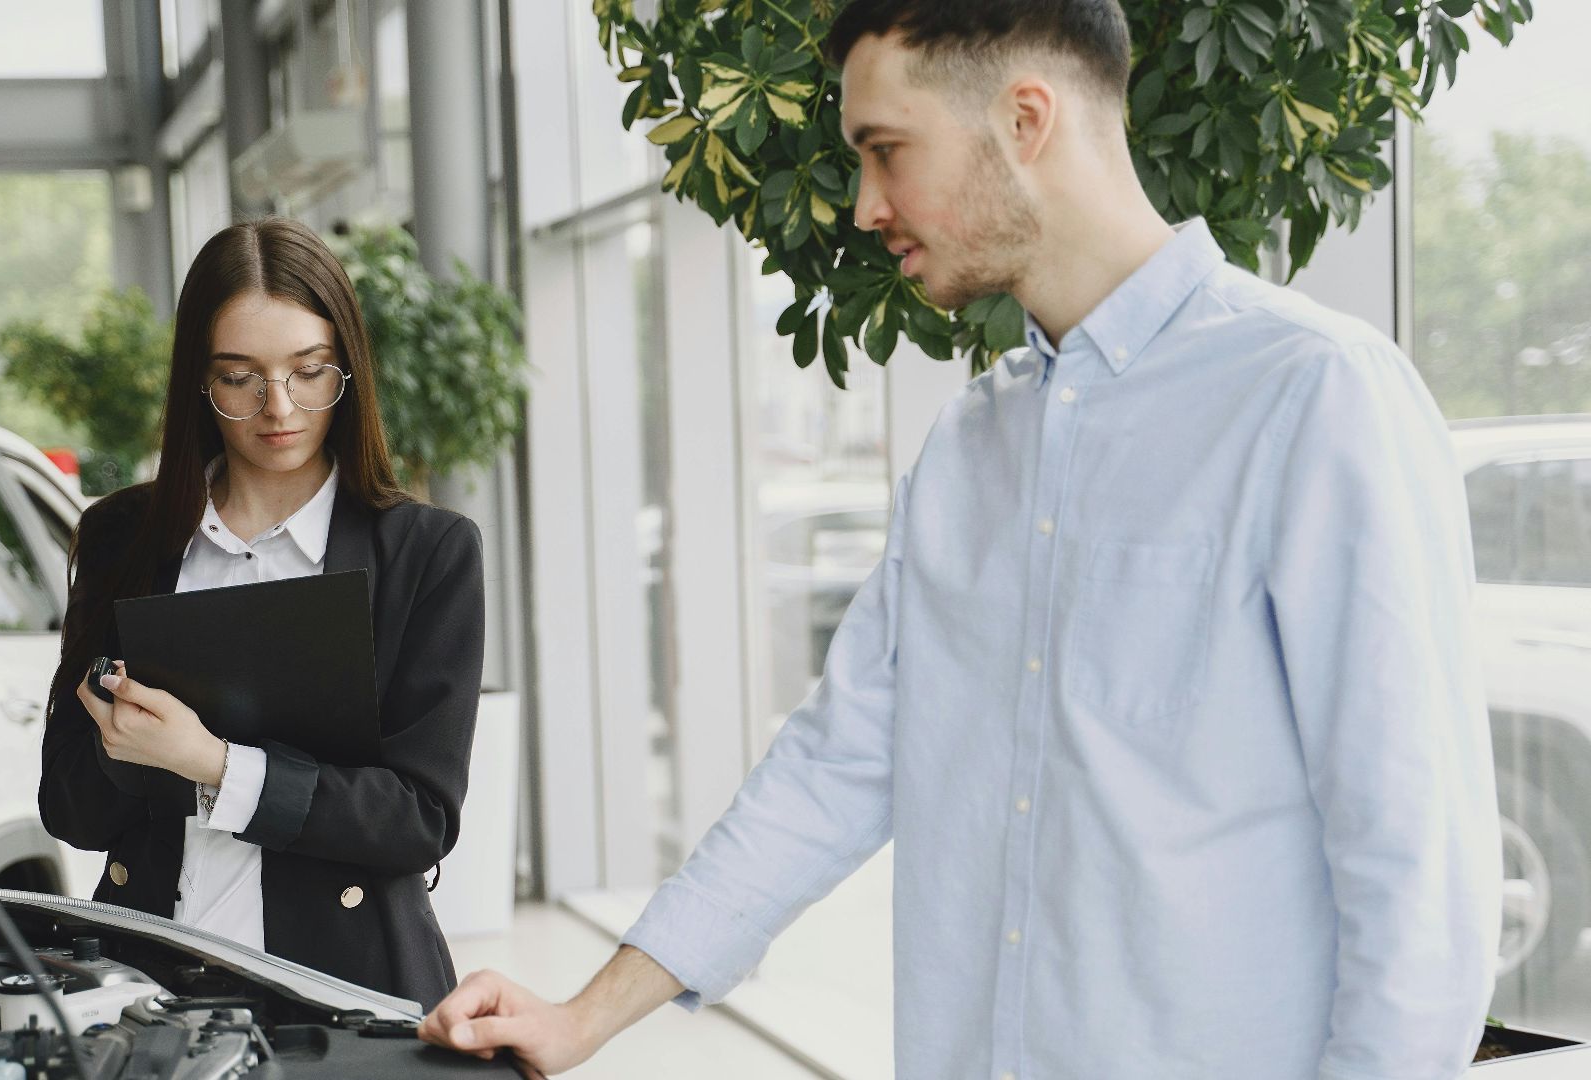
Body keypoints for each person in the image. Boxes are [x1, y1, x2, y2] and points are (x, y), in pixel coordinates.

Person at [421, 1, 1500, 1076]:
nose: (863, 206)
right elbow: (836, 764)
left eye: (886, 152)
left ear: (1026, 119)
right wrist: (581, 1018)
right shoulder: (972, 443)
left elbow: (1417, 874)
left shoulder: (1312, 396)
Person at [39, 218, 484, 1010]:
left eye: (310, 372)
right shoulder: (123, 539)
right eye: (239, 378)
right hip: (146, 991)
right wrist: (124, 747)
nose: (278, 407)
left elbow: (419, 817)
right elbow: (68, 807)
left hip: (344, 993)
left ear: (347, 367)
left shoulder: (427, 551)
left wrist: (213, 764)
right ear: (198, 385)